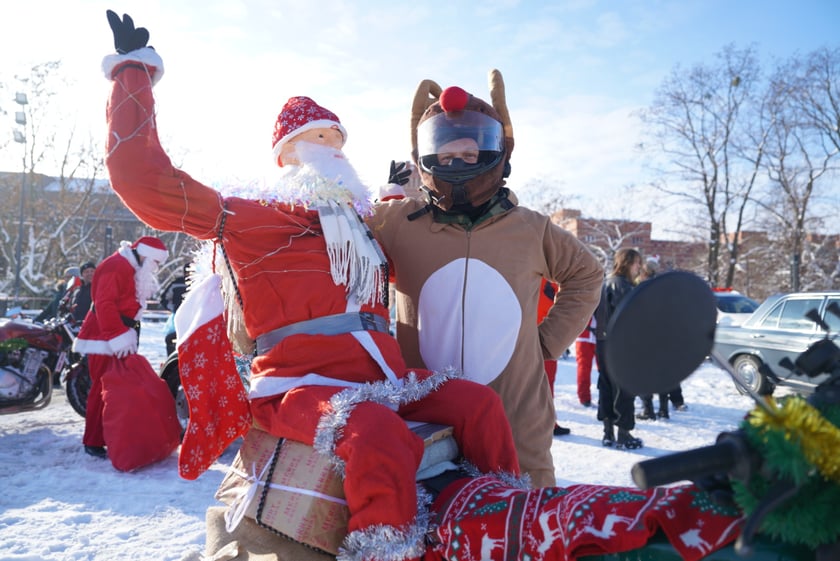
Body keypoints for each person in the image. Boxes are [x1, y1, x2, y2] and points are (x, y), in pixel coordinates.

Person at [99, 13, 521, 561]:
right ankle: (385, 551)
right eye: (318, 139)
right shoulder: (253, 216)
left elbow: (402, 228)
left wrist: (401, 192)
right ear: (286, 157)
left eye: (337, 139)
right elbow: (143, 180)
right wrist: (133, 74)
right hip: (298, 386)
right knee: (375, 434)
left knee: (479, 404)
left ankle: (508, 521)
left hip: (383, 378)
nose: (334, 147)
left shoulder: (361, 229)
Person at [370, 76, 604, 487]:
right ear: (425, 155)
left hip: (515, 420)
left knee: (523, 528)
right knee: (431, 530)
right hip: (428, 420)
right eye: (446, 153)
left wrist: (546, 342)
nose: (458, 162)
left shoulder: (529, 228)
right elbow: (334, 249)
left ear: (495, 152)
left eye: (469, 151)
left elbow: (586, 273)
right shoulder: (396, 223)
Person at [73, 236, 168, 459]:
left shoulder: (128, 265)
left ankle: (110, 436)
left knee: (117, 390)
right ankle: (94, 440)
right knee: (103, 389)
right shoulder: (117, 266)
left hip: (117, 335)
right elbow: (104, 304)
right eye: (156, 262)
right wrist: (118, 336)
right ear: (146, 255)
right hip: (106, 337)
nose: (156, 267)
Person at [594, 247, 644, 449]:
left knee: (606, 385)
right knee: (623, 389)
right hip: (621, 344)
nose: (639, 267)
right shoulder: (624, 286)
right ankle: (623, 434)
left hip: (603, 342)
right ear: (628, 263)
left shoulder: (605, 283)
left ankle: (608, 433)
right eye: (637, 263)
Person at [634, 257, 686, 420]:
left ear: (644, 272)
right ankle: (664, 409)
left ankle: (647, 409)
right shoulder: (665, 287)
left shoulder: (641, 288)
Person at [539, 279, 571, 436]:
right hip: (542, 339)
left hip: (545, 339)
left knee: (546, 384)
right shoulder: (542, 283)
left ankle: (547, 422)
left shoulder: (549, 283)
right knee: (543, 384)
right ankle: (547, 423)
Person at [159, 263, 187, 355]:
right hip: (178, 318)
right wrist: (174, 308)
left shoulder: (201, 284)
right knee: (171, 339)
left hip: (195, 319)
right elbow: (164, 299)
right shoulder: (176, 283)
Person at [574, 315, 596, 407]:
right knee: (584, 367)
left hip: (594, 332)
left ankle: (584, 397)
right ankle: (584, 396)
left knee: (584, 367)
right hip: (586, 333)